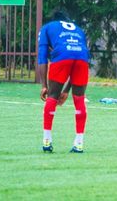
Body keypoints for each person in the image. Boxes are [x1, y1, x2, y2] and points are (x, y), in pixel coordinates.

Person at [37, 10, 90, 153]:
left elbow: (42, 57)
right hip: (82, 58)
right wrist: (66, 90)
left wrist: (44, 86)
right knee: (79, 99)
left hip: (61, 56)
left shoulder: (47, 28)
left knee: (52, 96)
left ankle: (47, 141)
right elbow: (79, 56)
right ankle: (79, 143)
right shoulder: (78, 29)